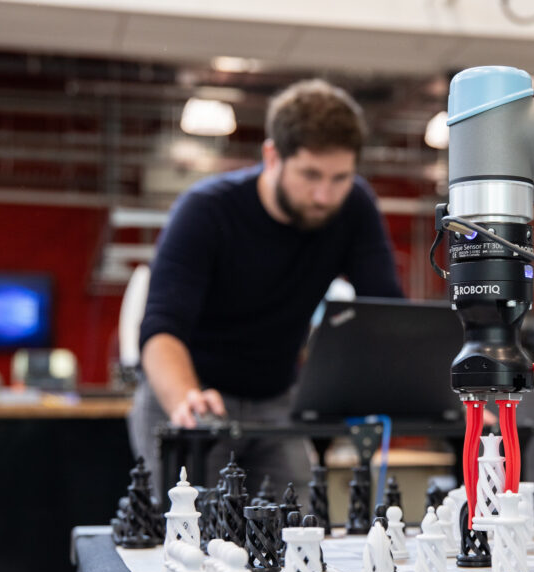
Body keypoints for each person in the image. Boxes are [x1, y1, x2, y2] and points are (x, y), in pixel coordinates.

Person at [130, 79, 403, 497]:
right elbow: (161, 329)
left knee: (297, 532)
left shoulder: (354, 207)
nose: (324, 195)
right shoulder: (205, 211)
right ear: (272, 155)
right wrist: (186, 397)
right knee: (195, 535)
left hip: (277, 402)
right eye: (310, 174)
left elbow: (385, 312)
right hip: (195, 396)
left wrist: (441, 393)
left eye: (340, 177)